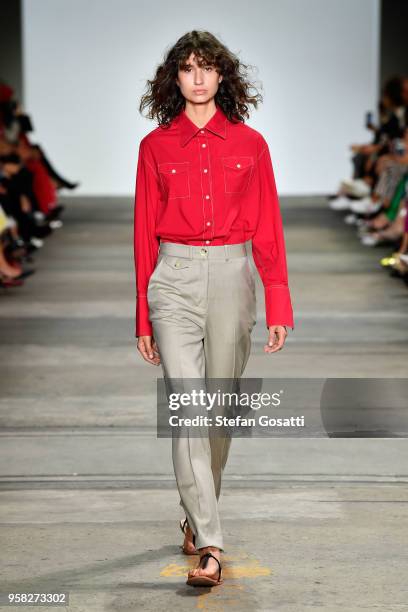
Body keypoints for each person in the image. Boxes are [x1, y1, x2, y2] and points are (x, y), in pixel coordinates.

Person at [133, 30, 294, 587]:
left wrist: (279, 299)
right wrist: (141, 316)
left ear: (223, 77)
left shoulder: (251, 145)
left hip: (233, 276)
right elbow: (141, 238)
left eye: (207, 68)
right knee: (189, 409)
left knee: (219, 412)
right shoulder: (155, 147)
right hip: (172, 280)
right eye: (187, 68)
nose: (197, 78)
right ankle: (212, 543)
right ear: (173, 79)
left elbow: (269, 224)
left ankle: (195, 512)